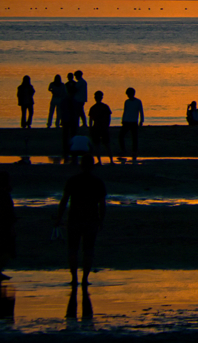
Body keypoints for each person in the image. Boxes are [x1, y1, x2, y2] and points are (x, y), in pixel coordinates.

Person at [54, 155, 106, 286]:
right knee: (88, 250)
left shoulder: (73, 180)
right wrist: (101, 220)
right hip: (91, 219)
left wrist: (59, 218)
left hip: (74, 218)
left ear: (81, 165)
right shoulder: (97, 182)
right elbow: (102, 203)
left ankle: (74, 279)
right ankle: (85, 279)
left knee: (73, 249)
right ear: (93, 166)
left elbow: (64, 200)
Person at [88, 91, 114, 165]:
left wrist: (90, 128)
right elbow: (108, 118)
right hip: (102, 128)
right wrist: (107, 126)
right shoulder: (105, 107)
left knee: (98, 145)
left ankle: (100, 161)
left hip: (97, 128)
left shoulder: (93, 108)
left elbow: (90, 120)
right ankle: (111, 161)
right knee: (106, 145)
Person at [119, 87, 144, 162]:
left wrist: (141, 121)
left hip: (133, 122)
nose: (128, 96)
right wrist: (123, 120)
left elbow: (141, 111)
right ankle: (123, 150)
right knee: (121, 136)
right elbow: (125, 111)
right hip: (126, 121)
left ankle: (134, 151)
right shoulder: (126, 102)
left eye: (129, 94)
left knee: (134, 137)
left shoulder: (138, 101)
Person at [59, 82, 79, 163]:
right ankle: (67, 151)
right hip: (68, 120)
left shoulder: (68, 100)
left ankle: (69, 151)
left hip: (69, 120)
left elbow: (63, 111)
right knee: (67, 136)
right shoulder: (72, 101)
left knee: (69, 136)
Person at [0, 171, 14, 281]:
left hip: (5, 225)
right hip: (4, 226)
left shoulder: (5, 195)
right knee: (5, 249)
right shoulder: (4, 196)